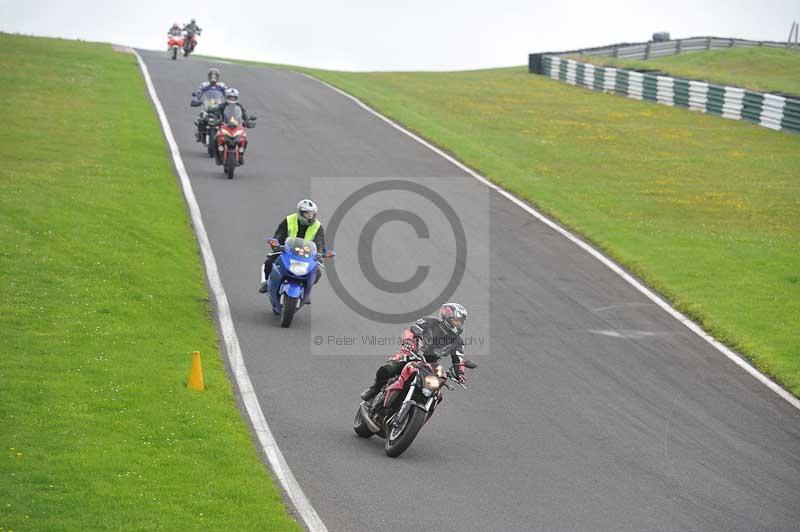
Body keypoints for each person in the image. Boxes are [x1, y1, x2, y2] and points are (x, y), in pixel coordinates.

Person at [360, 303, 469, 401]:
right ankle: (374, 389)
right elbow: (411, 331)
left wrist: (460, 373)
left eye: (461, 321)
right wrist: (408, 341)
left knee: (437, 394)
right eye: (457, 320)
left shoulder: (458, 341)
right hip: (411, 352)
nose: (459, 324)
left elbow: (458, 359)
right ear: (447, 318)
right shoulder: (429, 322)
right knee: (389, 368)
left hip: (430, 365)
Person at [259, 199, 326, 301]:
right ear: (300, 212)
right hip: (287, 251)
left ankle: (305, 291)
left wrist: (319, 254)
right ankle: (267, 283)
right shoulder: (289, 220)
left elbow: (320, 242)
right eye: (307, 213)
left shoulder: (317, 226)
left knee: (317, 273)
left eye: (312, 213)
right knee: (269, 262)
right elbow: (279, 234)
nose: (310, 216)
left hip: (306, 256)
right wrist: (276, 244)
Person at [208, 88, 253, 163]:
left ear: (236, 97)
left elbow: (244, 114)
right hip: (224, 125)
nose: (232, 99)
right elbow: (217, 113)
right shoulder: (222, 106)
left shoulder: (239, 106)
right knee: (215, 139)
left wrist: (247, 120)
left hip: (237, 126)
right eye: (230, 97)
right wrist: (216, 119)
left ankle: (241, 155)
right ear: (227, 97)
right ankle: (218, 156)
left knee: (244, 138)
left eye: (234, 97)